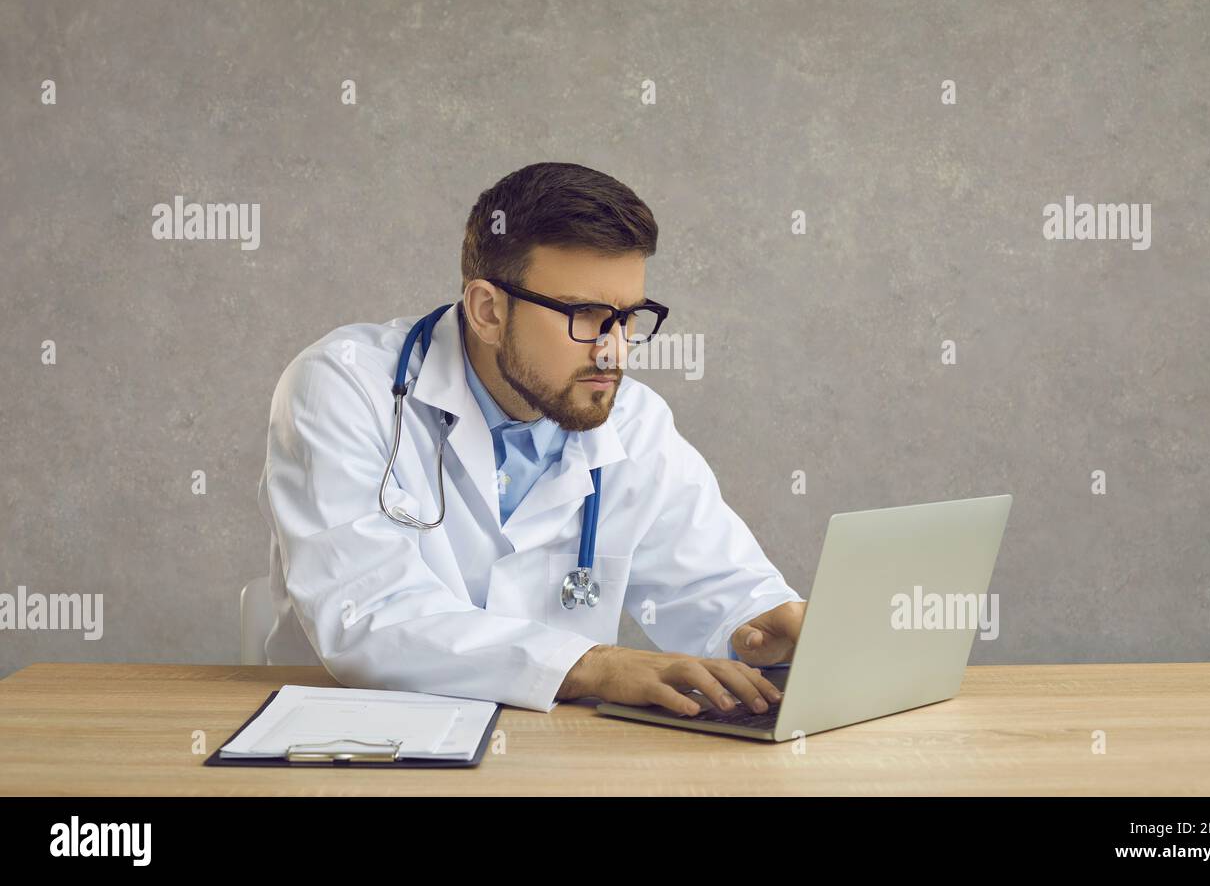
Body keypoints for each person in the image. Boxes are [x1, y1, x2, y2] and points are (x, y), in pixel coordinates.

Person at [257, 161, 806, 715]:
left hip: (545, 752)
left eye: (629, 318)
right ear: (488, 311)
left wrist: (759, 622)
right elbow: (367, 617)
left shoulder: (635, 421)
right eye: (586, 316)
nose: (615, 350)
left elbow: (713, 582)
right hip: (349, 742)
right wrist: (594, 665)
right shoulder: (345, 387)